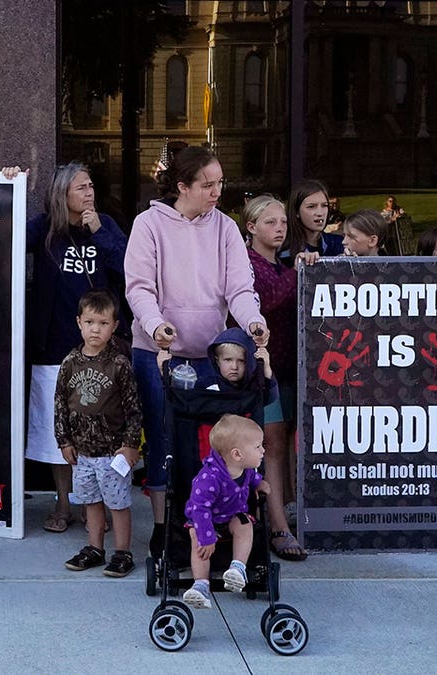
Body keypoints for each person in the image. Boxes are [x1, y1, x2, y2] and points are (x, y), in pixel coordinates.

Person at [124, 145, 268, 559]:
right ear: (182, 186)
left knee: (207, 443)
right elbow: (139, 288)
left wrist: (252, 321)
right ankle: (164, 526)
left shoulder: (224, 227)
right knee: (164, 440)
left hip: (211, 355)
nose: (216, 191)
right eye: (207, 184)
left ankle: (209, 520)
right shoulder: (148, 225)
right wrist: (156, 326)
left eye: (220, 182)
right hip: (158, 353)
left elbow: (239, 288)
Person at [1, 162, 128, 533]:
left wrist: (100, 233)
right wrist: (6, 188)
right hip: (54, 345)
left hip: (100, 348)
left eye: (91, 186)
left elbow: (128, 266)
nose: (89, 193)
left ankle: (99, 505)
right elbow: (3, 238)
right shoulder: (45, 228)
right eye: (80, 188)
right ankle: (63, 503)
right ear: (62, 195)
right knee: (54, 430)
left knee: (100, 428)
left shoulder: (106, 224)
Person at [242, 193, 315, 560]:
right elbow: (266, 300)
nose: (280, 228)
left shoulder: (285, 267)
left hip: (291, 370)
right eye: (271, 222)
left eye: (284, 222)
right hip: (262, 373)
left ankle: (288, 509)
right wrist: (301, 272)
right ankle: (277, 527)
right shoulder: (247, 264)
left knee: (286, 443)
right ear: (251, 227)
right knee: (269, 445)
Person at [55, 290, 141, 578]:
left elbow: (133, 410)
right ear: (79, 322)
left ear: (114, 326)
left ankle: (122, 552)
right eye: (90, 322)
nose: (95, 329)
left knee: (117, 503)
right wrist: (63, 440)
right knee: (90, 501)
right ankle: (95, 548)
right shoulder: (70, 363)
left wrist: (130, 445)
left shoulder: (119, 365)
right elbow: (60, 404)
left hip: (112, 451)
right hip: (82, 452)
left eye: (103, 323)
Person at [181, 414, 270, 609]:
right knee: (197, 537)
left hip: (231, 515)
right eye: (258, 447)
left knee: (245, 525)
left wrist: (259, 483)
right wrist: (207, 537)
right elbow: (199, 507)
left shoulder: (245, 468)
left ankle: (237, 569)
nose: (263, 450)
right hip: (204, 519)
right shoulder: (209, 478)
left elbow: (252, 476)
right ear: (237, 454)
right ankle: (201, 585)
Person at [281, 179, 344, 264]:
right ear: (296, 212)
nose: (320, 212)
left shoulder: (340, 244)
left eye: (324, 205)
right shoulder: (284, 251)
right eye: (311, 206)